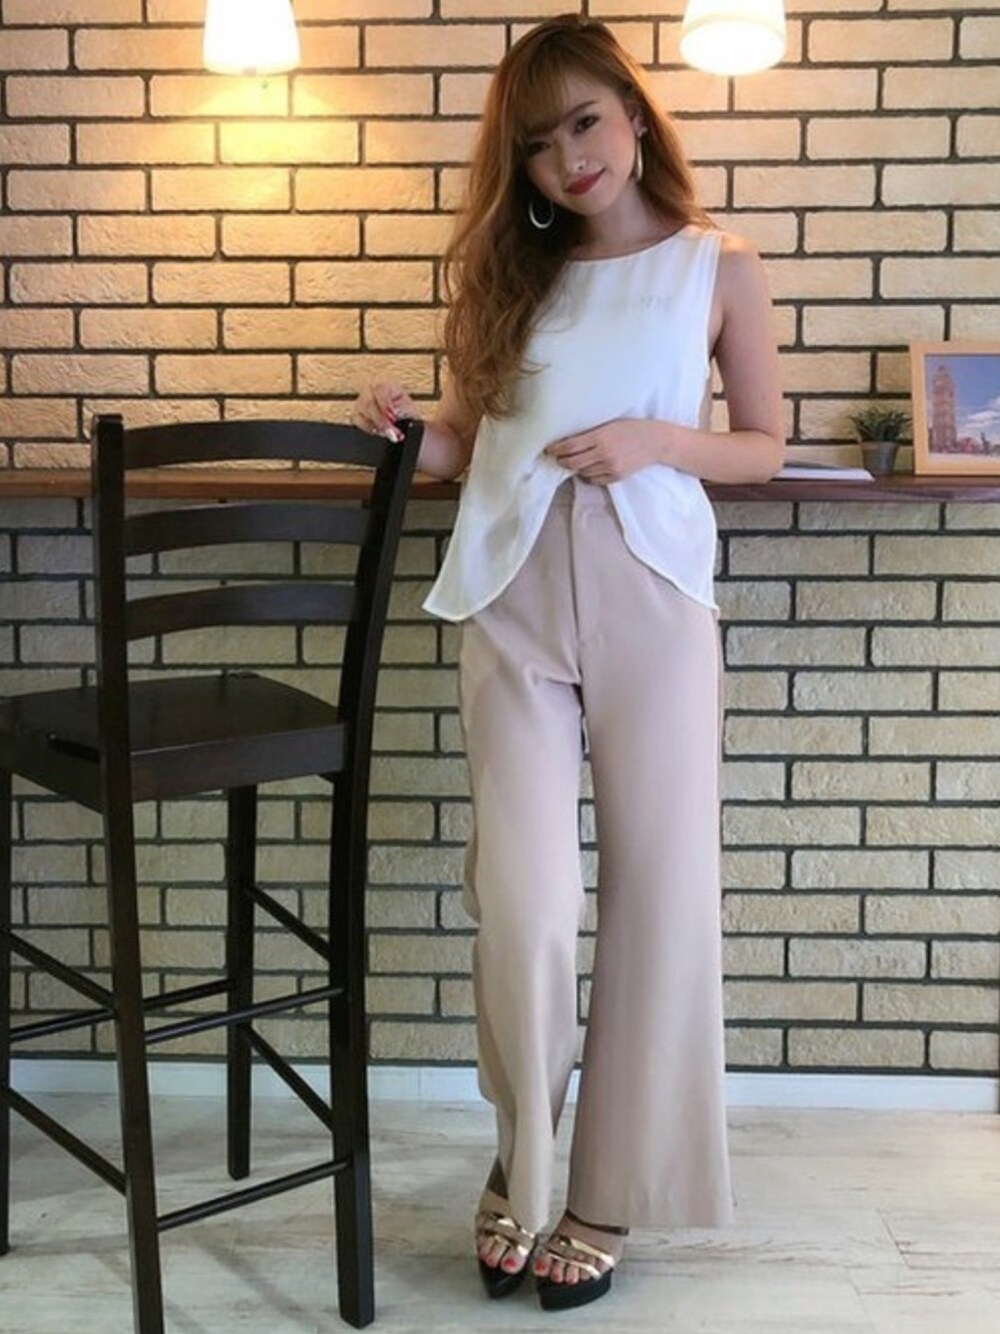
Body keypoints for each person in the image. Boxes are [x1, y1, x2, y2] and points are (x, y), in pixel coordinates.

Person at [351, 13, 784, 1313]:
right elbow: (472, 446)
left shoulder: (718, 266)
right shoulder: (513, 277)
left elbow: (763, 444)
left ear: (635, 114)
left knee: (659, 893)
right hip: (509, 593)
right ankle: (525, 1160)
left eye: (586, 122)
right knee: (527, 902)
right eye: (537, 144)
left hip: (654, 593)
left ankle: (607, 1191)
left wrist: (658, 440)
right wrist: (407, 427)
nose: (567, 158)